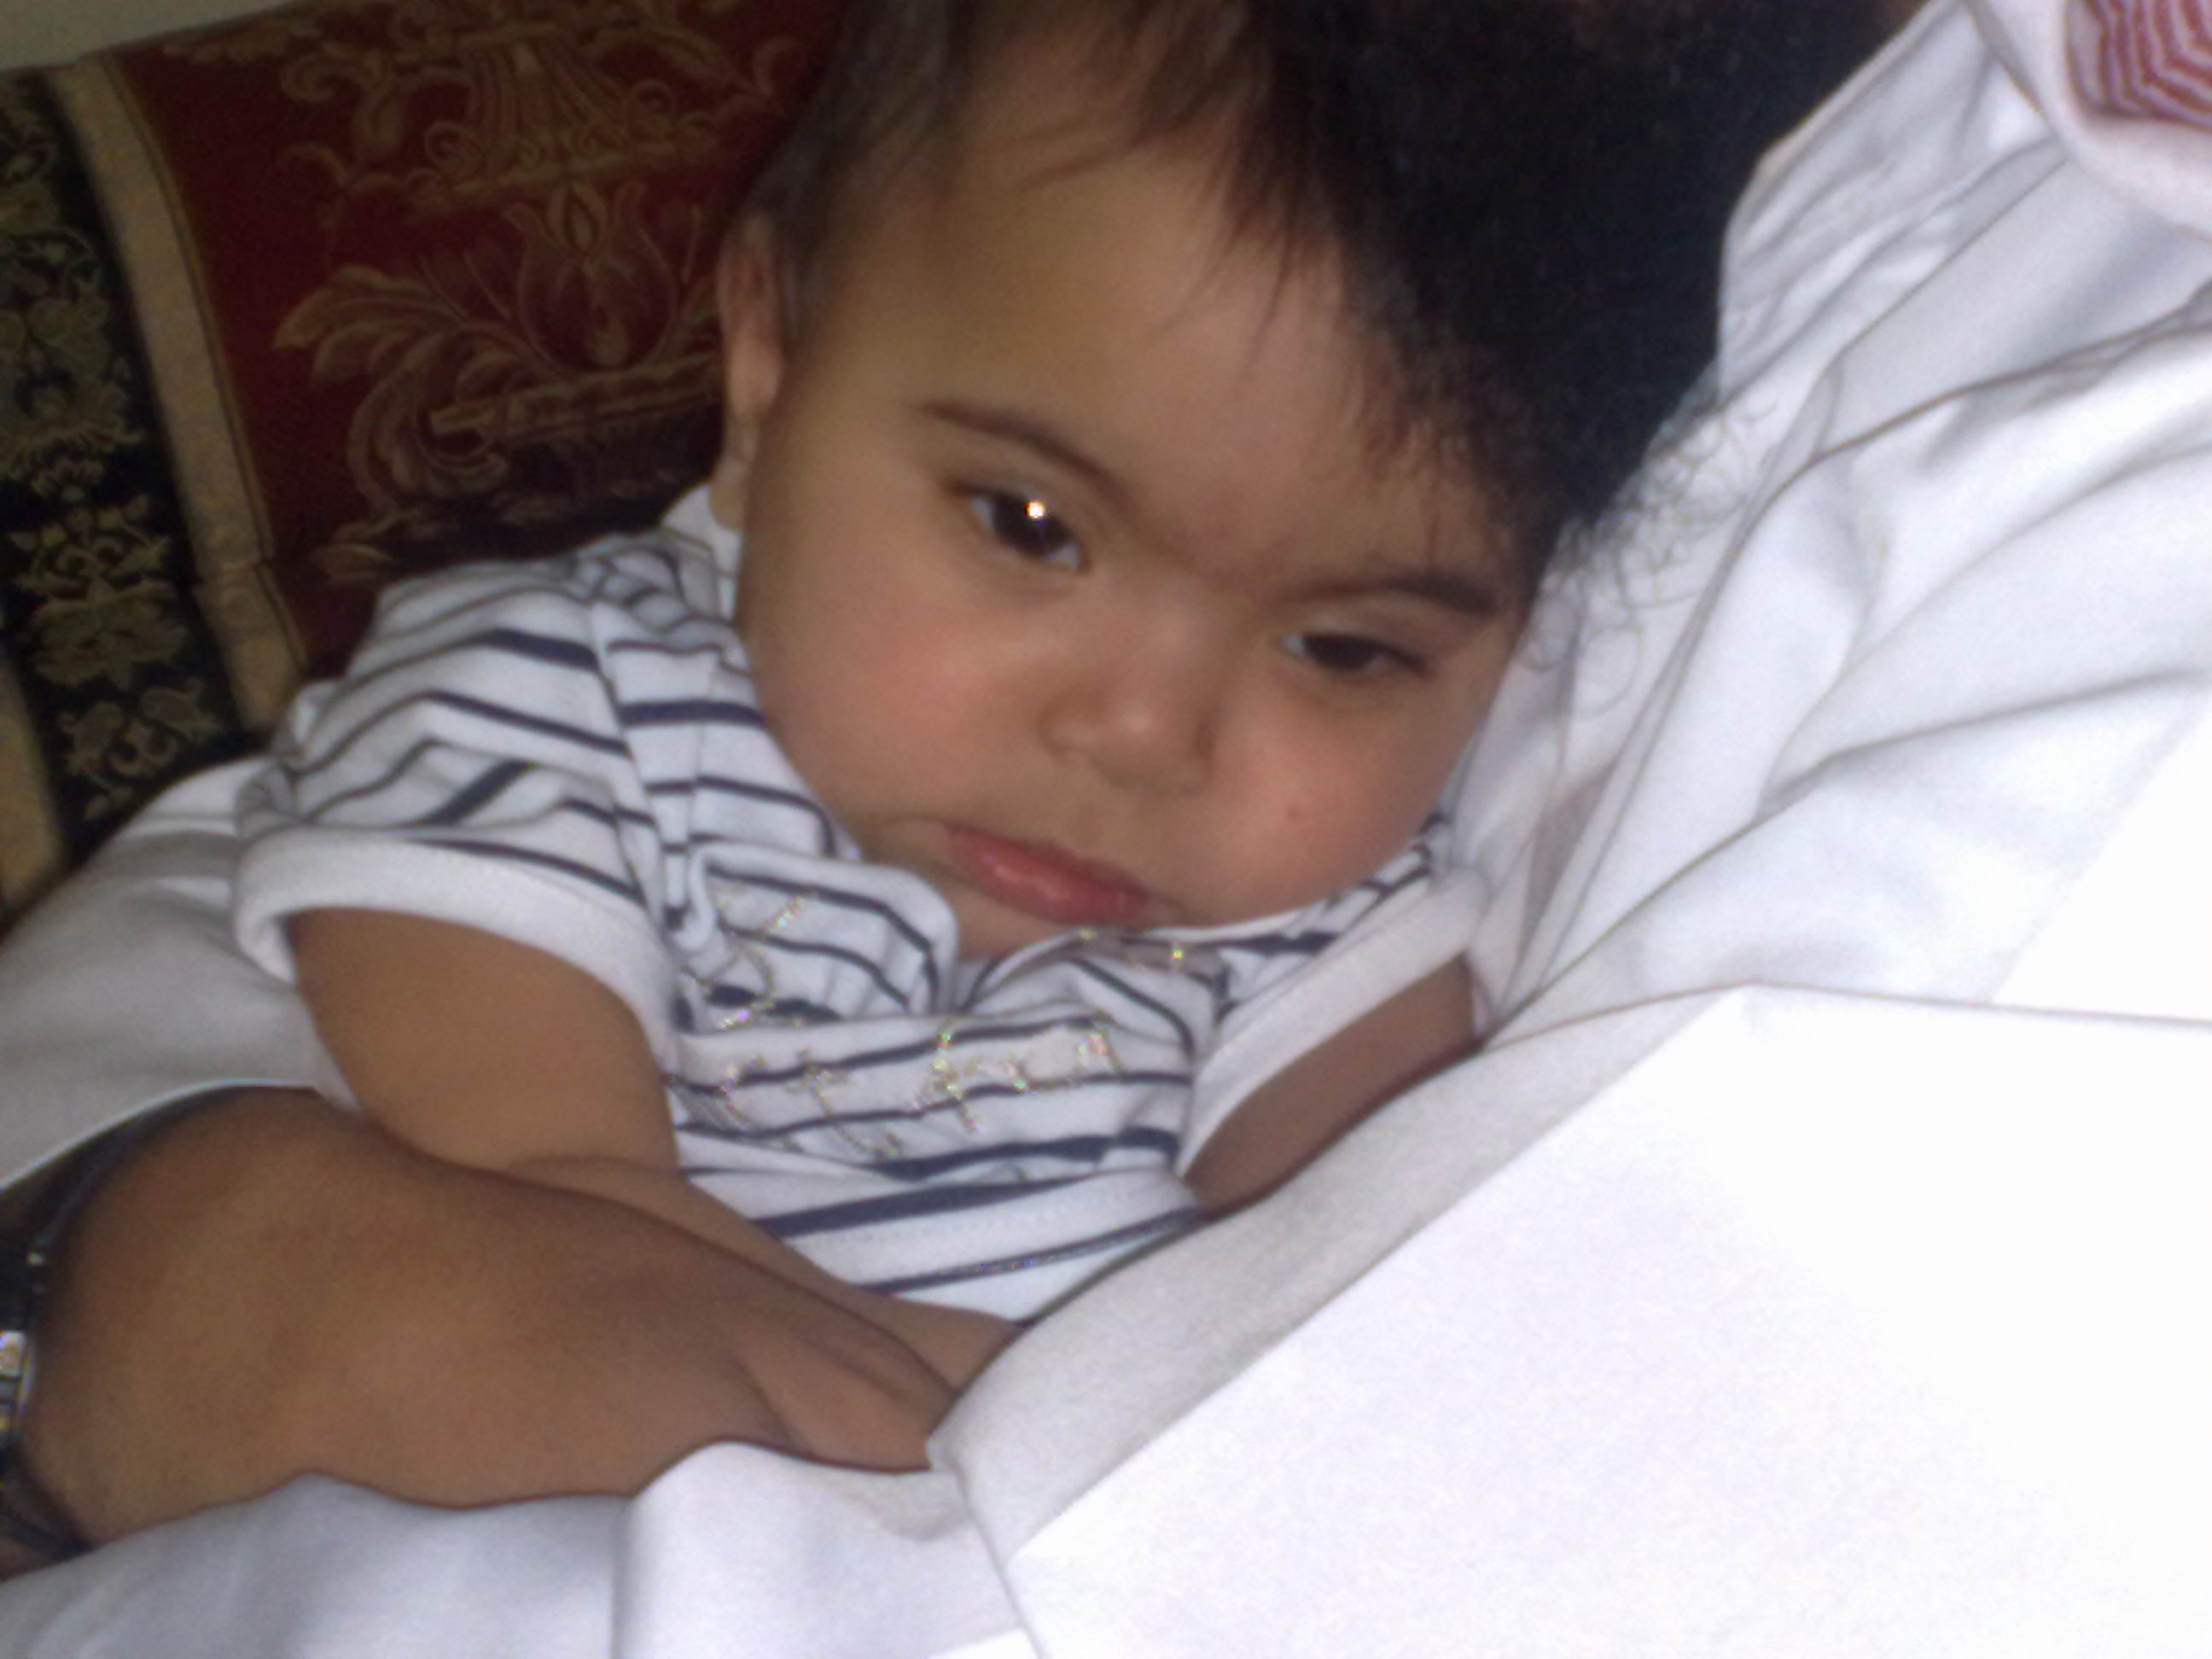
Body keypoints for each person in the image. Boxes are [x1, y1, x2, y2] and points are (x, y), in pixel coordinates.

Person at [27, 0, 2212, 1651]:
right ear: (767, 368)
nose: (1148, 732)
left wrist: (1029, 1422)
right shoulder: (579, 673)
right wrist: (609, 1264)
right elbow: (519, 1147)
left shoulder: (1330, 893)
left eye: (1347, 645)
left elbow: (1376, 1260)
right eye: (1031, 525)